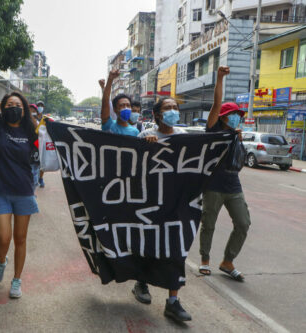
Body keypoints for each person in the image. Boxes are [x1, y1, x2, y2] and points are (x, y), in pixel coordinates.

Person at [0, 45, 39, 299]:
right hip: (1, 192)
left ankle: (16, 280)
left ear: (24, 109)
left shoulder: (30, 130)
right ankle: (2, 261)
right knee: (3, 238)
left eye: (17, 104)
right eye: (9, 103)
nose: (13, 106)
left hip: (24, 192)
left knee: (20, 239)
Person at [136, 97, 191, 322]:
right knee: (148, 245)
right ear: (157, 114)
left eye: (175, 108)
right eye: (168, 108)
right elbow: (132, 168)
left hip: (176, 203)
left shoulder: (184, 138)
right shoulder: (144, 136)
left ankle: (172, 302)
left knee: (176, 249)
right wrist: (145, 148)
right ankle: (141, 282)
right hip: (150, 201)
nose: (173, 111)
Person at [199, 66, 251, 282]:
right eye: (232, 116)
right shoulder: (213, 131)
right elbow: (216, 105)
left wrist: (237, 139)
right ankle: (205, 260)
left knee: (243, 223)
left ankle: (227, 261)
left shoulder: (235, 135)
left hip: (233, 186)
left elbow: (238, 162)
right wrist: (219, 78)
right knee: (208, 223)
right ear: (222, 117)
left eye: (239, 115)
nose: (236, 118)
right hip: (212, 186)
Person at [100, 69, 139, 137]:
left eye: (128, 105)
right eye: (122, 105)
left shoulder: (135, 132)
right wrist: (110, 79)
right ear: (114, 109)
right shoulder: (109, 125)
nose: (126, 108)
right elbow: (105, 102)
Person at [29, 104, 41, 189]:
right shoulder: (21, 122)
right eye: (29, 110)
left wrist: (32, 118)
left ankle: (32, 193)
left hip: (35, 152)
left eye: (33, 111)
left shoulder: (38, 123)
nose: (31, 112)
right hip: (26, 152)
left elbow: (38, 132)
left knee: (34, 172)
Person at [35, 101, 46, 187]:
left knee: (42, 161)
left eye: (41, 106)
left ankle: (41, 178)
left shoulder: (45, 119)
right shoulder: (32, 117)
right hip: (33, 141)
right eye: (38, 106)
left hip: (42, 141)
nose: (40, 107)